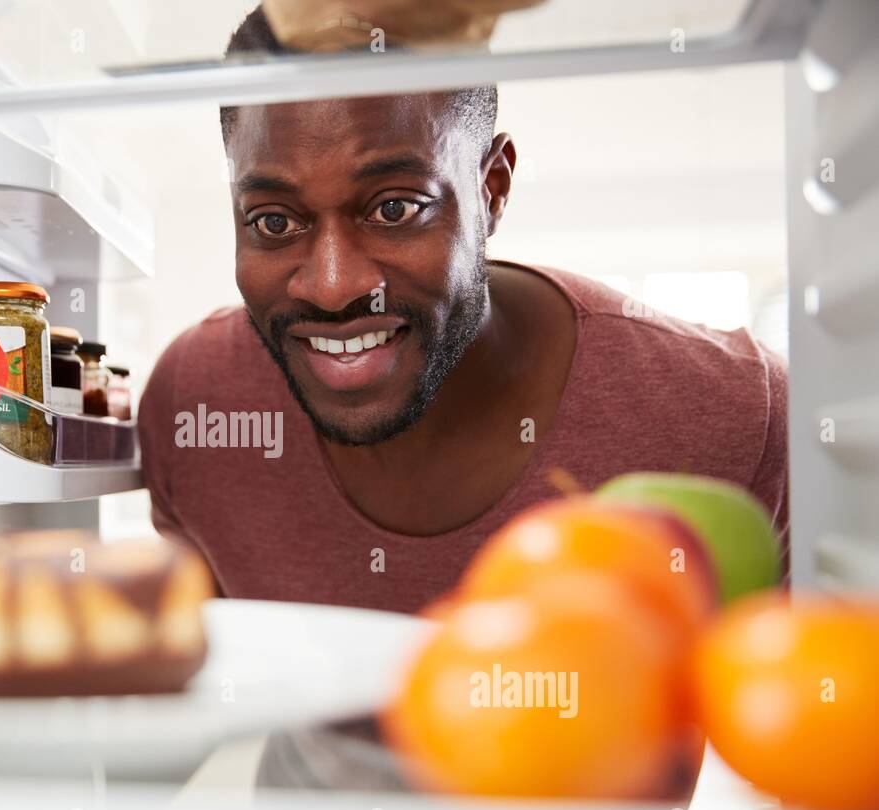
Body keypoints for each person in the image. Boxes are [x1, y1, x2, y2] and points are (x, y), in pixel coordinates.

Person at [139, 6, 788, 619]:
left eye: (395, 208)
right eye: (273, 220)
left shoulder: (733, 411)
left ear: (491, 189)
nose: (334, 288)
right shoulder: (193, 404)